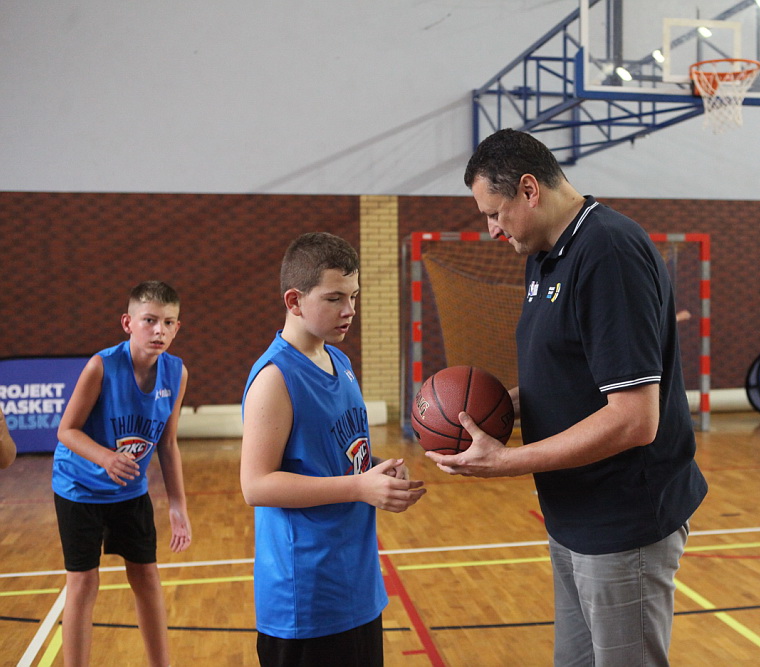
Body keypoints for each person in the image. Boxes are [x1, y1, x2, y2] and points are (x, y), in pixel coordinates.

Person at [427, 128, 708, 666]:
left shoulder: (609, 252)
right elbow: (568, 375)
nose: (491, 229)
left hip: (622, 522)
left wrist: (507, 461)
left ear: (529, 190)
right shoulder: (545, 253)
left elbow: (635, 420)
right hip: (573, 515)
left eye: (494, 213)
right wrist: (492, 409)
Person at [240, 232, 426, 667]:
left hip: (356, 585)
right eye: (334, 298)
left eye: (354, 296)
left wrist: (377, 471)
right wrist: (359, 487)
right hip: (307, 598)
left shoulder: (338, 361)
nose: (350, 310)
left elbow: (339, 455)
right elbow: (256, 485)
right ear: (294, 301)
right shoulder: (275, 378)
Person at [52, 280, 192, 667]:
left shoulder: (176, 373)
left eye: (168, 322)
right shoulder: (101, 366)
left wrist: (177, 505)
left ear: (177, 328)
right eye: (150, 320)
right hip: (78, 487)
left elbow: (168, 444)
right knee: (83, 582)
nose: (159, 330)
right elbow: (66, 431)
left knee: (146, 576)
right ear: (128, 323)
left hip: (129, 491)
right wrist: (105, 458)